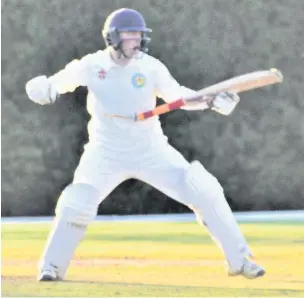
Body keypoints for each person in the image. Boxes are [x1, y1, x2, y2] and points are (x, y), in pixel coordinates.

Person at [25, 8, 265, 282]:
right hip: (104, 152)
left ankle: (241, 260)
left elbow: (180, 97)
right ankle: (51, 268)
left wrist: (210, 101)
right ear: (113, 37)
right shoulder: (92, 65)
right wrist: (45, 88)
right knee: (76, 202)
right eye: (130, 34)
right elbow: (60, 82)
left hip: (151, 150)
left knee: (203, 188)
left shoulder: (151, 67)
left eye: (139, 35)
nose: (136, 40)